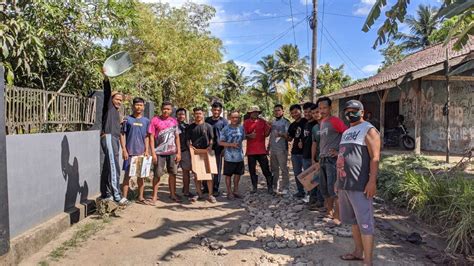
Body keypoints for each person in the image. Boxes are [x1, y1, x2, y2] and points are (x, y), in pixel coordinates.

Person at [337, 100, 380, 266]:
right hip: (344, 184)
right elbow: (342, 156)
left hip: (360, 184)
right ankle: (357, 252)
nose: (350, 113)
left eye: (354, 110)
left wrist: (372, 181)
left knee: (365, 223)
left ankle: (368, 261)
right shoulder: (347, 131)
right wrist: (337, 181)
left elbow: (375, 157)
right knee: (354, 222)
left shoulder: (368, 129)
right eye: (347, 110)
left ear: (362, 112)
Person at [317, 96, 347, 224]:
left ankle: (338, 216)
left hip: (332, 160)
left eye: (324, 107)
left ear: (330, 108)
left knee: (334, 188)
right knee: (324, 188)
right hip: (323, 159)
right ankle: (329, 212)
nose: (322, 110)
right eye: (320, 108)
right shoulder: (323, 122)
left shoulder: (335, 121)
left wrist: (340, 152)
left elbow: (347, 134)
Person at [100, 75, 128, 205]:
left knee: (107, 166)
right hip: (109, 137)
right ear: (111, 100)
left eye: (121, 100)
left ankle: (106, 194)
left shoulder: (116, 113)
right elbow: (107, 92)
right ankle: (117, 196)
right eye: (117, 99)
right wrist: (106, 79)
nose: (119, 102)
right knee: (113, 166)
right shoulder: (109, 107)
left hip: (114, 138)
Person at [149, 101, 181, 204]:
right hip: (159, 153)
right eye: (164, 108)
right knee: (157, 175)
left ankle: (172, 194)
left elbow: (177, 137)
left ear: (171, 111)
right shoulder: (155, 120)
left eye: (168, 109)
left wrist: (178, 152)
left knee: (173, 174)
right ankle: (154, 196)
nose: (166, 110)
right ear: (161, 109)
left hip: (172, 152)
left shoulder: (174, 121)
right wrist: (153, 153)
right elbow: (151, 137)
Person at [120, 97, 150, 205]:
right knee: (127, 176)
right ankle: (124, 198)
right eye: (137, 105)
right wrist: (124, 149)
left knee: (141, 177)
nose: (139, 107)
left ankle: (140, 197)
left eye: (141, 105)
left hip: (141, 153)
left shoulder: (146, 121)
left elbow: (147, 136)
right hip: (129, 153)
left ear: (143, 107)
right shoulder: (127, 119)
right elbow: (122, 134)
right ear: (133, 106)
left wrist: (147, 150)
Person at [186, 107, 216, 203]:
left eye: (200, 113)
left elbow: (212, 139)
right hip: (195, 153)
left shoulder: (208, 126)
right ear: (194, 115)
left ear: (203, 114)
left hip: (206, 152)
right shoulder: (190, 127)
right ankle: (199, 194)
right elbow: (187, 140)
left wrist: (210, 146)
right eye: (196, 113)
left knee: (209, 175)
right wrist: (191, 147)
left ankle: (210, 195)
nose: (198, 115)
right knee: (196, 175)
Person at [243, 106, 274, 194]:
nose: (255, 113)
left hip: (261, 150)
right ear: (250, 113)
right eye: (253, 112)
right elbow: (243, 135)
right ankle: (254, 187)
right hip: (251, 151)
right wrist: (249, 136)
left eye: (257, 112)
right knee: (252, 170)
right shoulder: (246, 122)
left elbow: (266, 134)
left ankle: (270, 187)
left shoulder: (263, 122)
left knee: (266, 169)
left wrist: (270, 128)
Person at [218, 110, 245, 200]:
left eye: (236, 117)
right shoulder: (225, 129)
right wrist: (231, 145)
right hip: (229, 156)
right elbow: (220, 142)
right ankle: (229, 192)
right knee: (228, 175)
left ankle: (236, 190)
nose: (234, 119)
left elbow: (243, 138)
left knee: (238, 174)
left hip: (239, 156)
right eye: (233, 117)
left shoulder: (241, 128)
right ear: (229, 118)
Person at [205, 102, 228, 196]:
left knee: (217, 169)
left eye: (218, 110)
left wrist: (224, 148)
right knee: (207, 167)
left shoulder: (224, 122)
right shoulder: (207, 120)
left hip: (219, 148)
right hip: (208, 148)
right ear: (211, 110)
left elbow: (227, 135)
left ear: (221, 111)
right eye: (214, 110)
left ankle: (215, 188)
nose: (216, 112)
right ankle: (206, 187)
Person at [269, 104, 290, 194]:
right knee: (274, 169)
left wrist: (281, 134)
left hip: (282, 149)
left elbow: (289, 136)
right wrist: (268, 146)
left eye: (278, 110)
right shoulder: (273, 122)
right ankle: (275, 187)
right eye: (275, 111)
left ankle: (285, 187)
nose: (277, 112)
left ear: (282, 111)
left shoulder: (286, 122)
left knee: (283, 169)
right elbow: (271, 135)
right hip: (272, 149)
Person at [287, 104, 308, 198]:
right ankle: (300, 191)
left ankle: (311, 194)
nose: (294, 114)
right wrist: (283, 135)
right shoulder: (292, 125)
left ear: (300, 111)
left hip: (306, 153)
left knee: (308, 173)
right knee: (297, 173)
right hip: (295, 152)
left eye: (296, 112)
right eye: (292, 113)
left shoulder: (306, 121)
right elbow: (290, 139)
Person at [309, 104, 325, 210]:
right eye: (313, 113)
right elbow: (314, 143)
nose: (315, 115)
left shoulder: (330, 124)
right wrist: (312, 158)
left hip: (330, 158)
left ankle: (329, 206)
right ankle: (319, 202)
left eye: (317, 112)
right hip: (319, 158)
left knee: (328, 181)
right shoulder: (314, 128)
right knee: (318, 180)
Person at [176, 108, 194, 198]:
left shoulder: (187, 126)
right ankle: (173, 192)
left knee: (186, 171)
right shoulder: (172, 125)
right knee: (173, 172)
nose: (181, 116)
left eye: (183, 114)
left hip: (185, 151)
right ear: (176, 115)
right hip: (174, 151)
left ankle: (186, 191)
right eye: (179, 114)